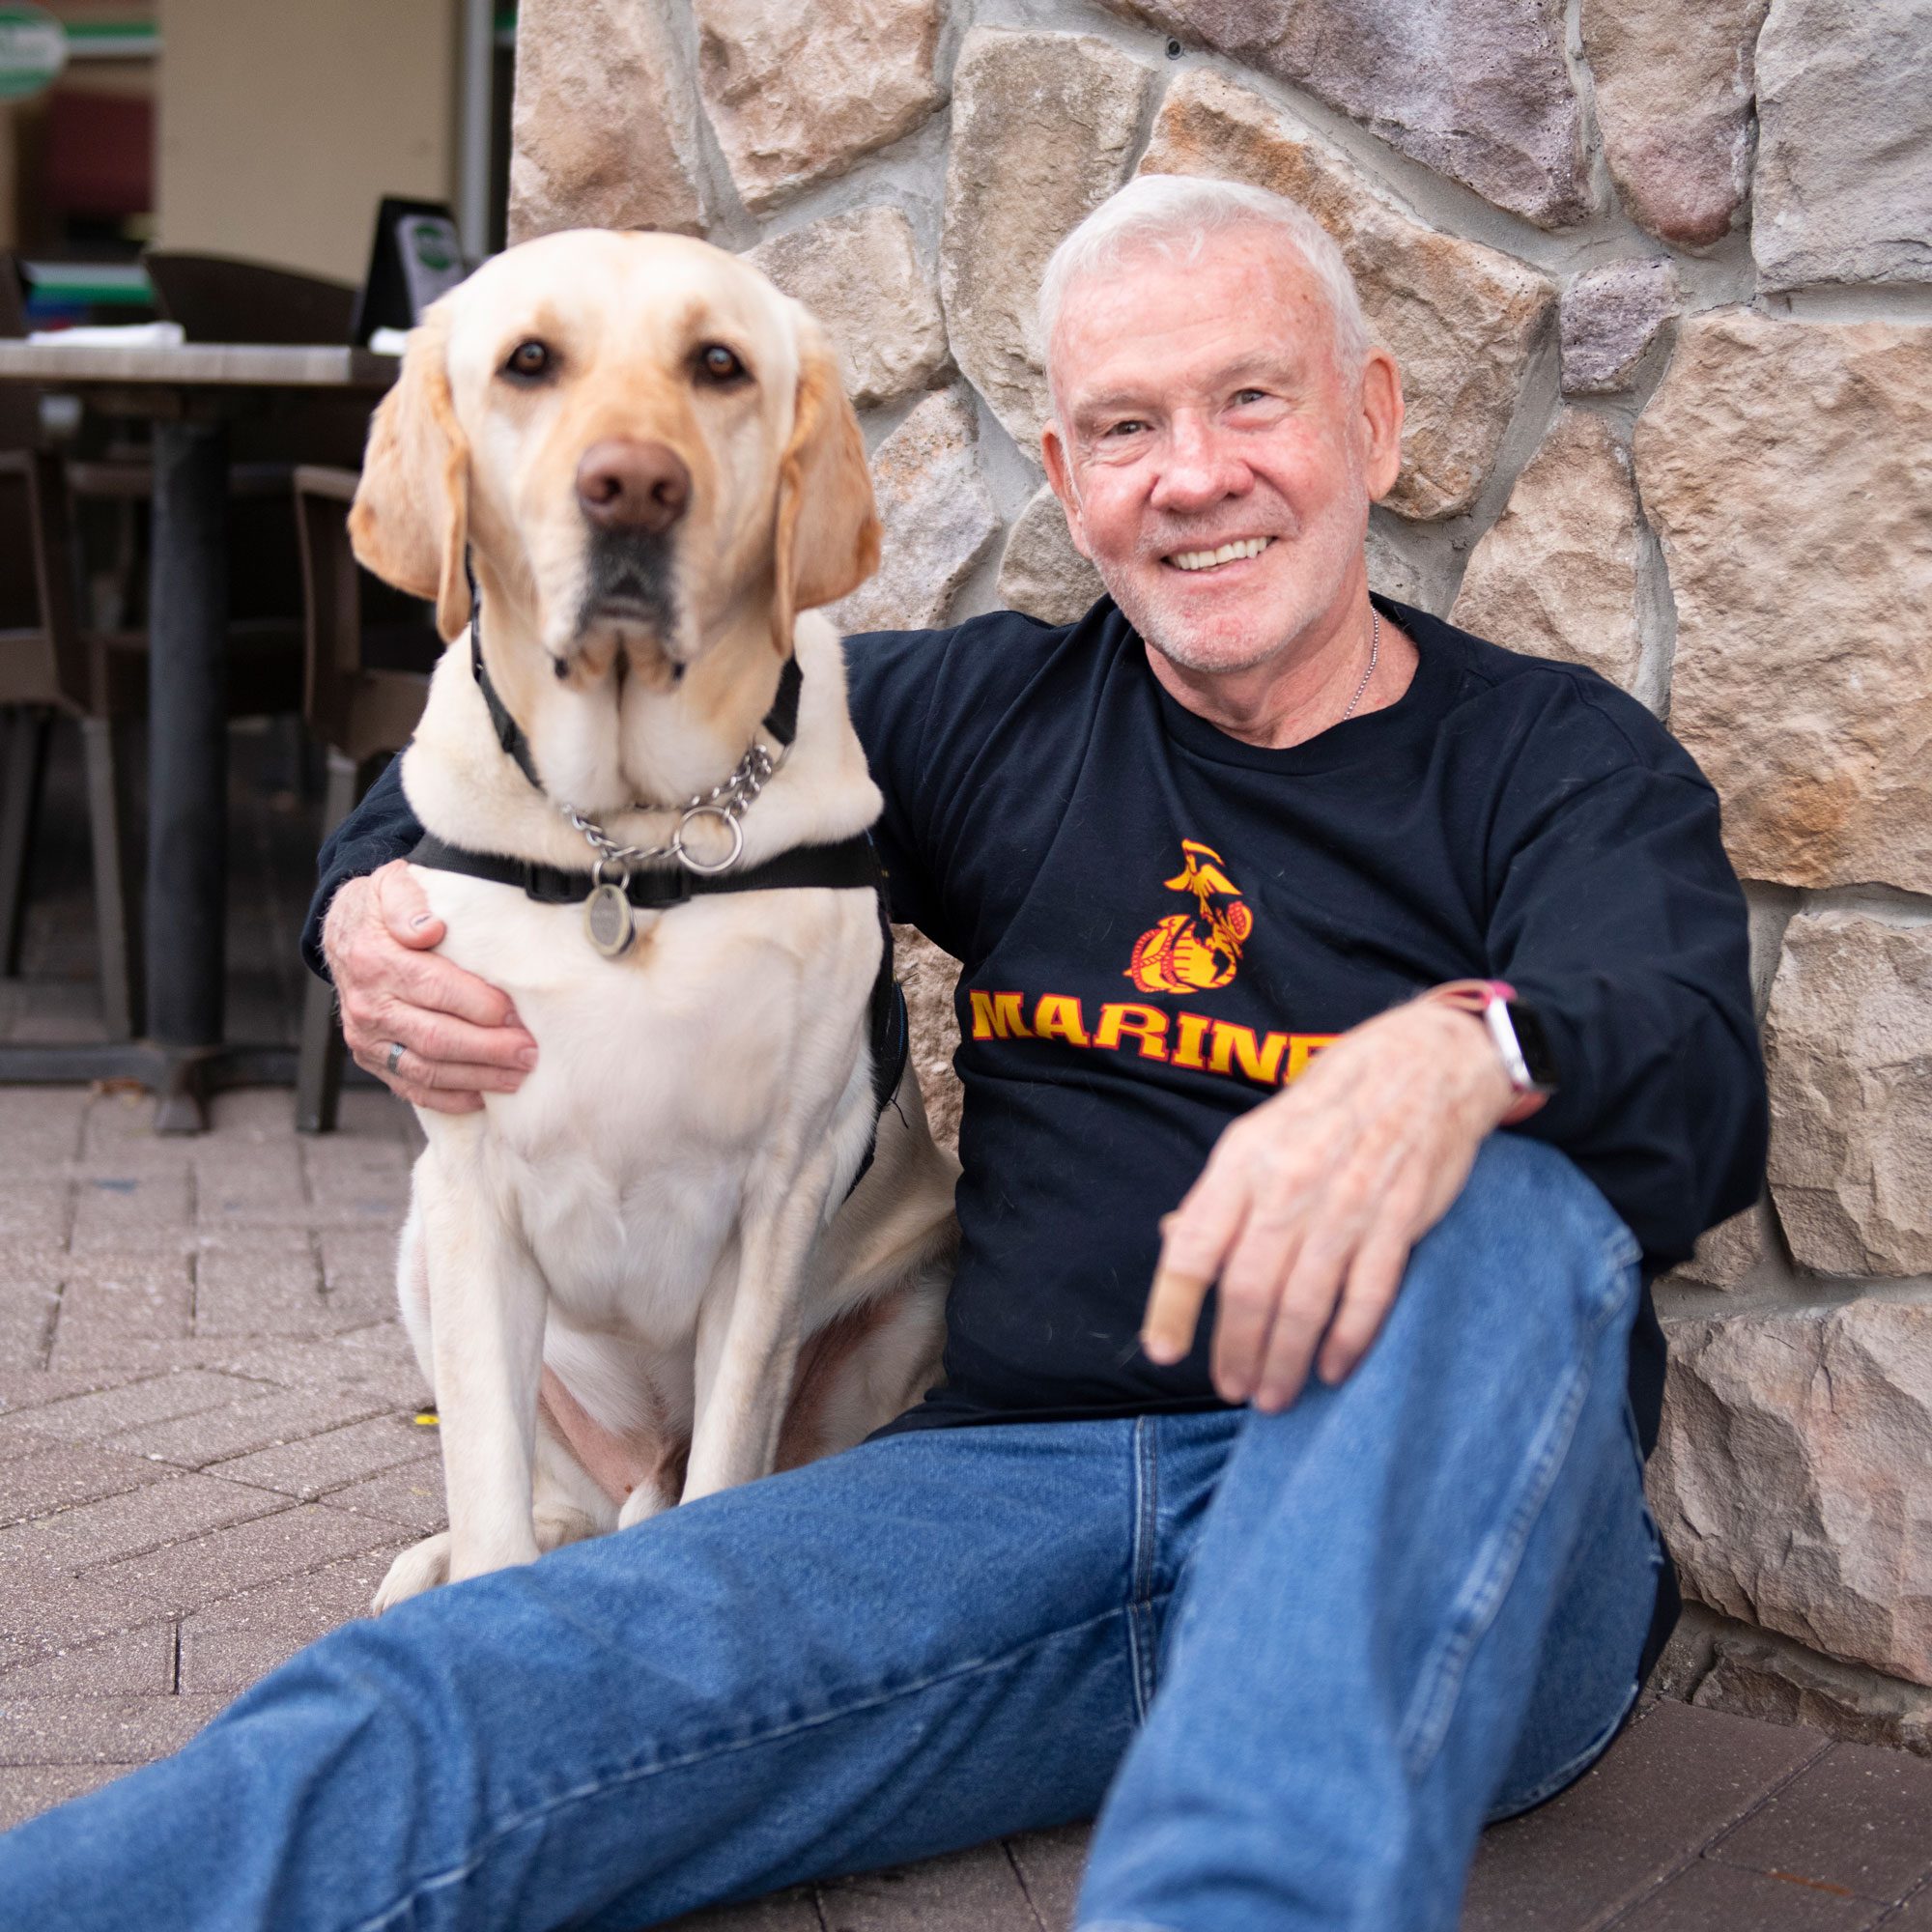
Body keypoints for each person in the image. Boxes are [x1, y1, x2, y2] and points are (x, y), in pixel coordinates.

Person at [0, 176, 1763, 1932]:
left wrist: (1455, 1059)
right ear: (1070, 490)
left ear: (1371, 423)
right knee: (484, 1679)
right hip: (1017, 1505)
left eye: (1251, 400)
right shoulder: (982, 722)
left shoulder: (1552, 761)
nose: (1196, 473)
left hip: (1441, 1531)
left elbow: (1688, 1076)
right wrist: (358, 903)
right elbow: (513, 767)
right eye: (1125, 427)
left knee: (1510, 1210)